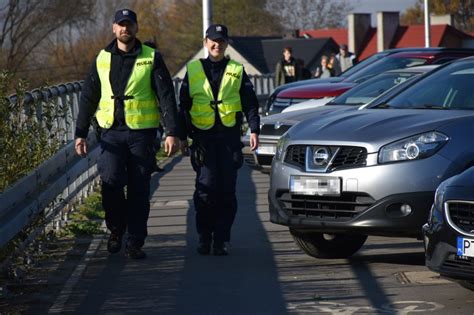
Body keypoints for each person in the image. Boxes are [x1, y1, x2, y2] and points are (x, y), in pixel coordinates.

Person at [74, 9, 180, 259]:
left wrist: (172, 132)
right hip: (110, 133)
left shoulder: (151, 57)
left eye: (129, 25)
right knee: (110, 182)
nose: (125, 29)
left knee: (139, 188)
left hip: (141, 134)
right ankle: (116, 230)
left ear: (136, 27)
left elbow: (166, 96)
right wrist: (80, 133)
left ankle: (135, 240)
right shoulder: (101, 58)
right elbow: (88, 97)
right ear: (113, 29)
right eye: (121, 25)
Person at [178, 24, 260, 256]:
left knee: (226, 192)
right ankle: (204, 237)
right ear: (205, 42)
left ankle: (222, 239)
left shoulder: (236, 69)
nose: (217, 45)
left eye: (222, 41)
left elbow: (250, 102)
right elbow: (183, 106)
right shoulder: (193, 69)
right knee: (206, 190)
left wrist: (254, 129)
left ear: (227, 44)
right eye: (213, 41)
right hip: (203, 139)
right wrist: (182, 136)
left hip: (229, 139)